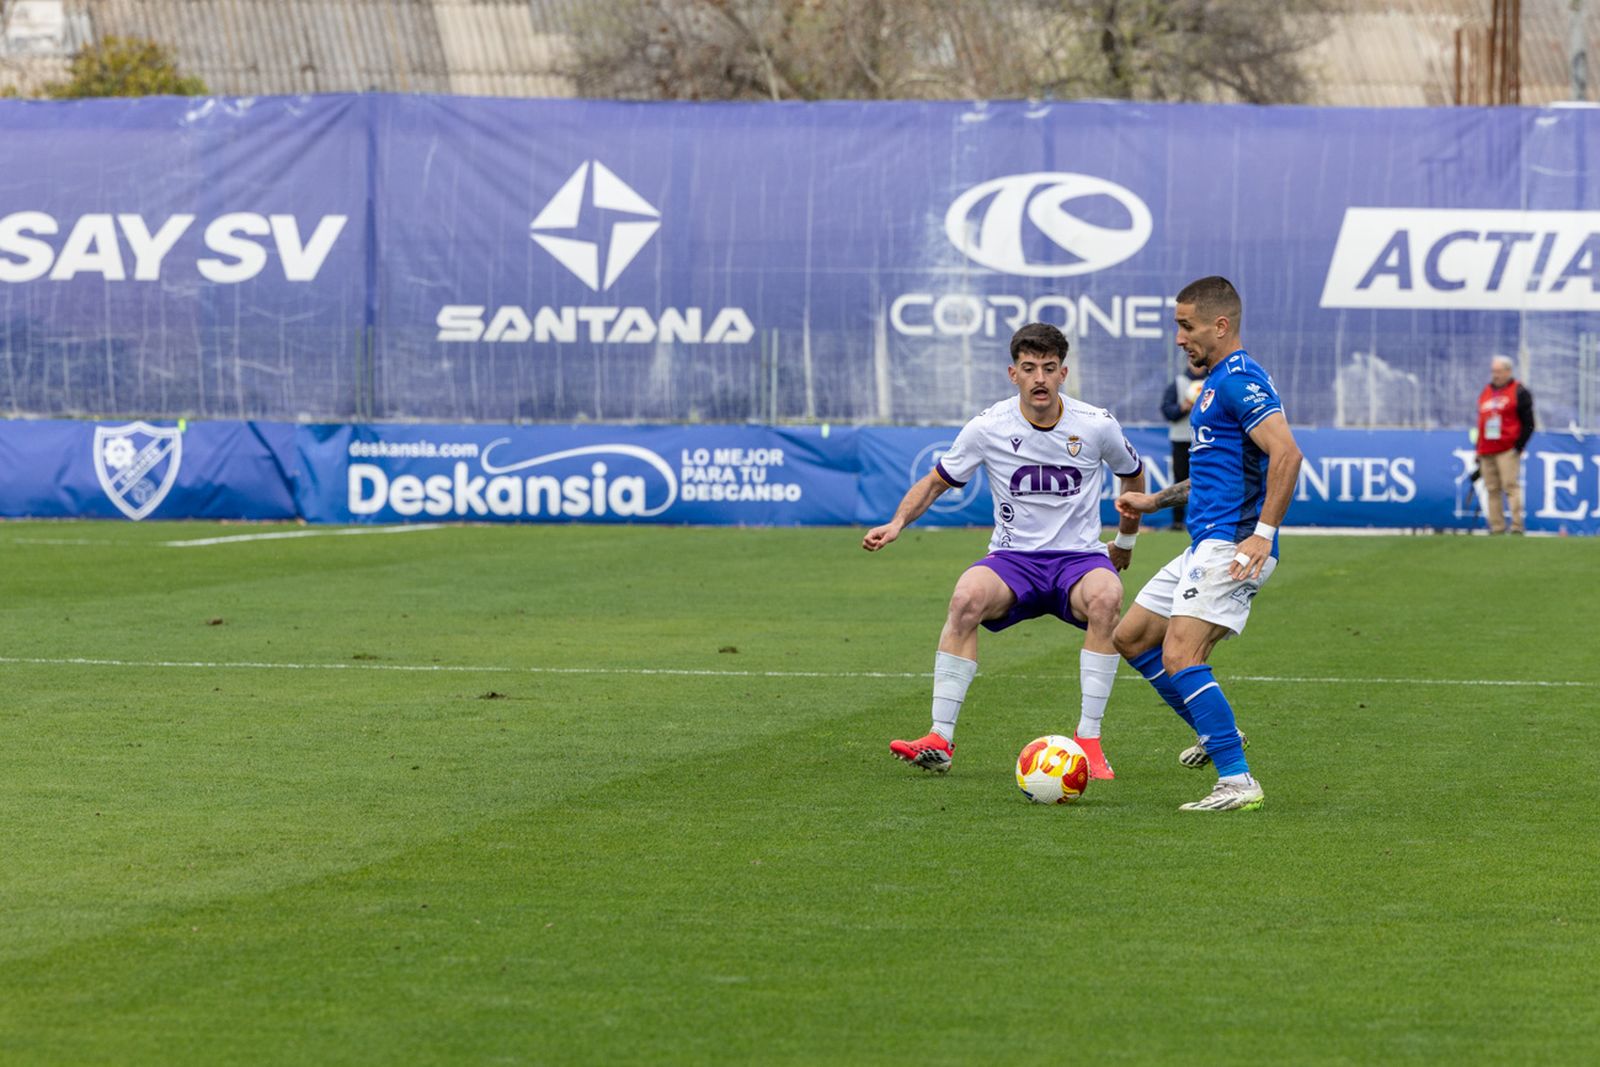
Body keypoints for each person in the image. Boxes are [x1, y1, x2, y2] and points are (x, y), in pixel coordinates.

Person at [863, 322, 1146, 781]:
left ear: (1063, 373)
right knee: (965, 598)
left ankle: (1089, 741)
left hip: (1078, 558)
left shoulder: (1097, 425)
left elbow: (1133, 476)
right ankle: (939, 738)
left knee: (1107, 597)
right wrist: (897, 523)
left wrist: (1126, 542)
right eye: (1030, 368)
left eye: (1049, 369)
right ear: (1012, 373)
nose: (1040, 378)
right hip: (1013, 561)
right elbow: (937, 481)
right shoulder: (988, 427)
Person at [1110, 276, 1303, 812]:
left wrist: (1261, 537)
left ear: (1221, 326)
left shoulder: (1242, 379)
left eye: (1186, 326)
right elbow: (1220, 476)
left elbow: (1287, 455)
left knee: (1180, 653)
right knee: (1132, 637)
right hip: (1204, 544)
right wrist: (1154, 503)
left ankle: (1237, 781)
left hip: (1234, 547)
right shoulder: (1216, 384)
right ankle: (1215, 730)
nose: (1179, 338)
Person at [1474, 355, 1534, 535]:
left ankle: (1516, 526)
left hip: (1507, 449)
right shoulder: (1486, 391)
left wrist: (1518, 446)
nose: (1495, 375)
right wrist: (1478, 450)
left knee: (1510, 486)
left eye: (1499, 371)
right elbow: (1481, 422)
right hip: (1486, 449)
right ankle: (1497, 527)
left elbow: (1529, 423)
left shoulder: (1519, 391)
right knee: (1492, 489)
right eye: (1493, 371)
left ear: (1508, 371)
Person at [1160, 361, 1209, 527]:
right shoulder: (1178, 383)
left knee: (1206, 480)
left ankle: (1205, 520)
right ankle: (1178, 521)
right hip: (1181, 440)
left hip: (1205, 440)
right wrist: (1183, 408)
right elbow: (1167, 411)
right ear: (1188, 362)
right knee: (1180, 480)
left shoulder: (1213, 381)